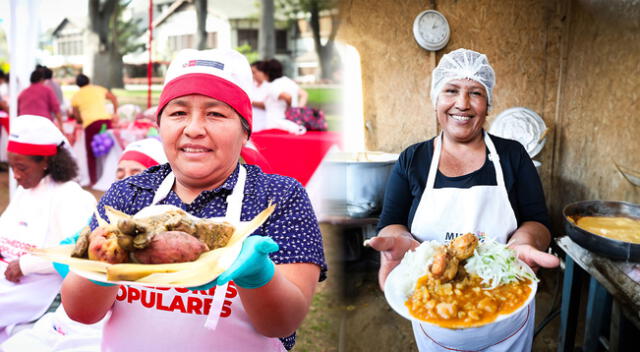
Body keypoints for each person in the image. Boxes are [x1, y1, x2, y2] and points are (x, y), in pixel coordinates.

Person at [61, 48, 326, 351]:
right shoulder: (128, 193)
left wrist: (258, 276)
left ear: (245, 131)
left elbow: (282, 323)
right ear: (159, 126)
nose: (194, 129)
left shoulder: (279, 197)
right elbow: (81, 312)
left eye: (215, 113)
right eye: (178, 113)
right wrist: (101, 266)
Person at [367, 48, 560, 351]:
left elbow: (538, 221)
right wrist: (399, 241)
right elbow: (391, 222)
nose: (462, 103)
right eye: (451, 91)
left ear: (488, 104)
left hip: (506, 316)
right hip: (435, 321)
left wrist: (524, 243)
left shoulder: (513, 156)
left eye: (475, 93)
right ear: (436, 99)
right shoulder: (412, 159)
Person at [1, 137, 168, 352]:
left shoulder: (167, 240)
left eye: (136, 173)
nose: (128, 183)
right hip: (66, 323)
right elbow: (67, 258)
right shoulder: (102, 227)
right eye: (120, 175)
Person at [0, 115, 96, 343]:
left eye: (21, 167)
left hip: (40, 289)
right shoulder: (27, 190)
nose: (15, 175)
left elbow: (77, 251)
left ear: (45, 162)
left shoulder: (71, 196)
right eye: (11, 166)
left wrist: (25, 265)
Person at [70, 74, 119, 186]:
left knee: (91, 153)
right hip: (106, 122)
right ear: (89, 81)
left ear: (77, 84)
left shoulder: (76, 96)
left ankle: (93, 180)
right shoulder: (98, 89)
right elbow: (113, 98)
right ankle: (112, 176)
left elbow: (76, 115)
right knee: (110, 149)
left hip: (90, 124)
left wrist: (80, 120)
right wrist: (115, 113)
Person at [256, 59, 308, 134]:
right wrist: (297, 110)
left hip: (277, 124)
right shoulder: (288, 81)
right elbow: (304, 94)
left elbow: (288, 97)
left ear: (267, 72)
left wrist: (289, 108)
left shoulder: (273, 86)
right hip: (290, 123)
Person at [250, 60, 270, 132]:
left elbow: (267, 105)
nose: (252, 75)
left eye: (254, 72)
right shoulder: (251, 85)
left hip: (264, 125)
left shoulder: (270, 86)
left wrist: (249, 101)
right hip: (251, 123)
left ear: (262, 72)